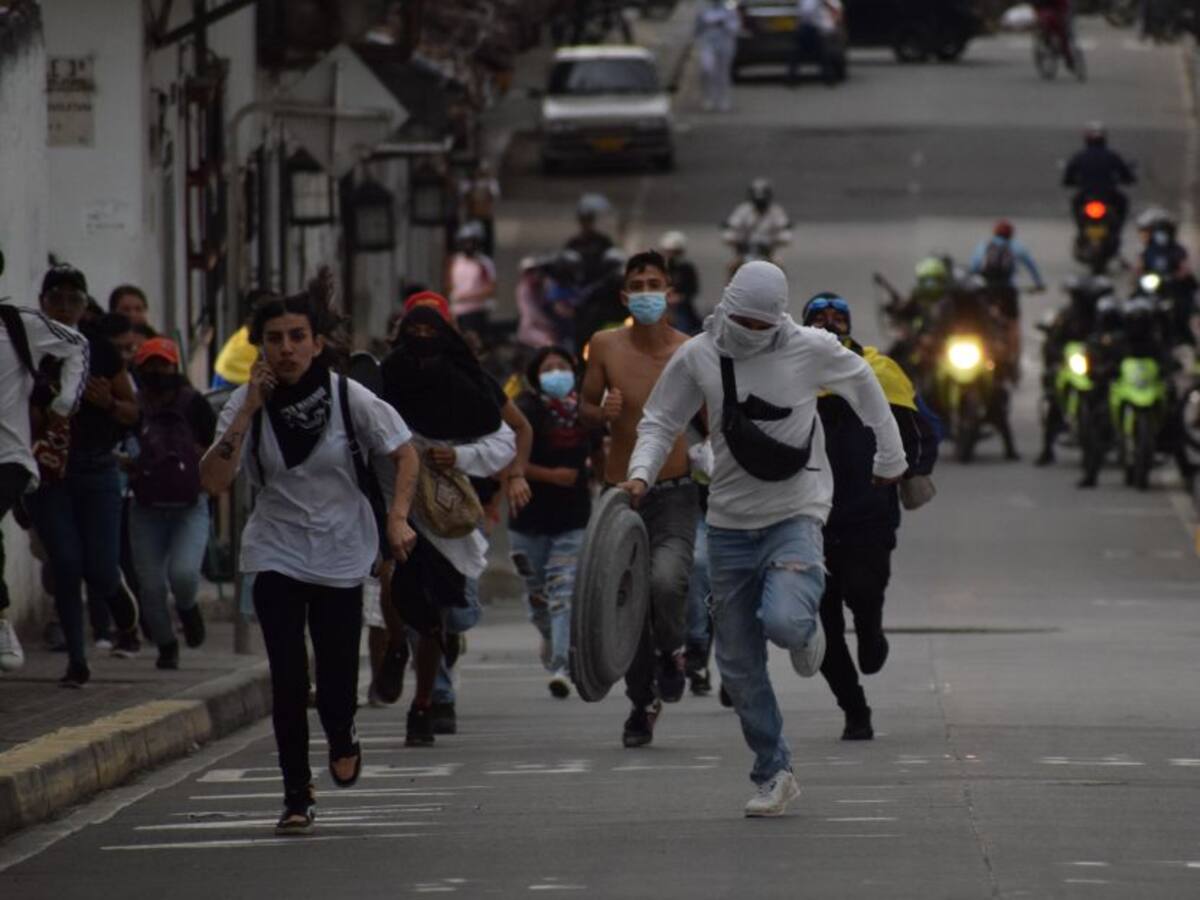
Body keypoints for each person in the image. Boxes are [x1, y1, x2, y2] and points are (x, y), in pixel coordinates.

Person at [619, 261, 907, 816]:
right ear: (726, 308)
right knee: (740, 667)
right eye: (743, 321)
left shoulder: (810, 347)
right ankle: (773, 772)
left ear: (779, 317)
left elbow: (866, 388)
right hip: (727, 522)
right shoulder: (700, 353)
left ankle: (806, 633)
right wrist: (640, 474)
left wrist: (891, 457)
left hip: (795, 513)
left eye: (762, 324)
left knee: (785, 620)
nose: (752, 332)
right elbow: (660, 420)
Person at [200, 281, 419, 835]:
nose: (287, 349)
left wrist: (397, 517)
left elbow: (404, 452)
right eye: (274, 339)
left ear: (317, 343)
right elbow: (214, 479)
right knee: (289, 679)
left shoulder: (350, 398)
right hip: (275, 549)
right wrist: (248, 409)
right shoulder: (245, 403)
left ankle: (342, 733)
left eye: (298, 337)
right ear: (261, 348)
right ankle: (296, 793)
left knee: (338, 683)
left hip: (343, 552)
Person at [379, 298, 519, 744]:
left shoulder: (469, 386)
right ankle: (424, 691)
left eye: (430, 336)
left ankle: (428, 690)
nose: (421, 347)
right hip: (394, 509)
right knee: (402, 597)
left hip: (450, 518)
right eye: (412, 336)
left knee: (449, 613)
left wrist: (458, 456)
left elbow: (506, 439)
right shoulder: (383, 382)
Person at [802, 292, 936, 741]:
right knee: (820, 627)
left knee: (863, 593)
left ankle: (872, 628)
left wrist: (913, 471)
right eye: (817, 318)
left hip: (869, 516)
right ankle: (854, 707)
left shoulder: (879, 371)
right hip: (805, 521)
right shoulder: (790, 376)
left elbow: (919, 430)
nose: (828, 323)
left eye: (837, 316)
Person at [581, 250, 699, 748]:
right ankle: (640, 704)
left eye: (656, 283)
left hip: (673, 493)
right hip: (619, 497)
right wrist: (600, 410)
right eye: (638, 284)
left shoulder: (690, 350)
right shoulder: (604, 345)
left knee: (666, 584)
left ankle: (674, 649)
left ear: (670, 292)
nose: (647, 292)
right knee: (627, 602)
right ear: (625, 295)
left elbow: (713, 424)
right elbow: (585, 408)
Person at [25, 270, 143, 687]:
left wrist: (107, 400)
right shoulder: (29, 349)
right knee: (65, 563)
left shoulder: (100, 351)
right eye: (56, 298)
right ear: (42, 302)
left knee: (99, 567)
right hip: (51, 471)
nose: (64, 307)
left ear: (84, 305)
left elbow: (132, 412)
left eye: (74, 300)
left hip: (96, 467)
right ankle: (78, 659)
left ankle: (118, 596)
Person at [0, 289, 90, 673]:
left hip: (10, 458)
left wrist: (66, 399)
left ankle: (1, 622)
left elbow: (78, 345)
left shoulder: (18, 324)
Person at [509, 347, 601, 698]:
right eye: (549, 368)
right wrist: (549, 476)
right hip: (528, 519)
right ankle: (550, 635)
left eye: (563, 366)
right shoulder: (523, 413)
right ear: (536, 376)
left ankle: (563, 665)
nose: (557, 373)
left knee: (563, 591)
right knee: (537, 593)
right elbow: (508, 463)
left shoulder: (584, 415)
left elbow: (599, 454)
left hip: (572, 520)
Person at [128, 337, 217, 669]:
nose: (157, 371)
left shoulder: (193, 404)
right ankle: (166, 645)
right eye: (149, 365)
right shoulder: (133, 405)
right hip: (146, 506)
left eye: (162, 364)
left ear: (174, 367)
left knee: (183, 574)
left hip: (189, 505)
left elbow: (216, 447)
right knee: (150, 587)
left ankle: (188, 607)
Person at [968, 219, 1046, 378]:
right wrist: (1039, 284)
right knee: (1013, 324)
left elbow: (974, 267)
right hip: (1008, 291)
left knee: (983, 320)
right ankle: (1013, 359)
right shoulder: (1017, 247)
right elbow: (1031, 266)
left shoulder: (984, 246)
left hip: (987, 290)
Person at [1063, 123, 1136, 231]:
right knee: (1123, 202)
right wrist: (1128, 179)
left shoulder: (1079, 156)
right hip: (1108, 194)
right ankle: (1117, 229)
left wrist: (1071, 182)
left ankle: (1081, 228)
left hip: (1086, 194)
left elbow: (1067, 178)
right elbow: (1126, 175)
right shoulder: (1112, 156)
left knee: (1075, 203)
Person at [723, 179, 792, 268]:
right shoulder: (743, 210)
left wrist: (781, 239)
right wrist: (731, 238)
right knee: (731, 267)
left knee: (779, 267)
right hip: (745, 251)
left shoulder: (776, 211)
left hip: (767, 252)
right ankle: (730, 282)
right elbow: (733, 225)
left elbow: (783, 227)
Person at [446, 221, 497, 338]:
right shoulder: (455, 261)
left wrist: (469, 297)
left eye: (471, 242)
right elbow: (449, 284)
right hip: (456, 311)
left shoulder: (484, 263)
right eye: (465, 242)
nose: (468, 245)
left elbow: (490, 289)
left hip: (475, 311)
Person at [695, 0, 739, 112]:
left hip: (725, 42)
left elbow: (735, 26)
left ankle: (723, 99)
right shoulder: (702, 6)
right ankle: (707, 97)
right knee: (707, 69)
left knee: (722, 72)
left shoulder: (730, 6)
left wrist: (723, 24)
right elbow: (698, 26)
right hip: (707, 42)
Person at [566, 194, 615, 288]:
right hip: (579, 285)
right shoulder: (574, 242)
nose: (586, 224)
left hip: (600, 284)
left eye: (588, 220)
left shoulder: (603, 241)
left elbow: (612, 259)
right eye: (583, 221)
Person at [661, 231, 703, 335]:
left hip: (681, 307)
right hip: (661, 305)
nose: (671, 255)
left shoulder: (686, 269)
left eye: (675, 252)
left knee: (684, 326)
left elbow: (693, 289)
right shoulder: (660, 268)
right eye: (669, 251)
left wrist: (680, 297)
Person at [790, 0, 840, 85]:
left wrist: (833, 14)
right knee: (798, 54)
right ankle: (792, 78)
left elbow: (829, 5)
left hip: (813, 28)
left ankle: (829, 79)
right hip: (806, 28)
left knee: (822, 55)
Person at [458, 161, 500, 256]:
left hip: (485, 216)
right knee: (471, 238)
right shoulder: (469, 183)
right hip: (473, 216)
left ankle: (487, 255)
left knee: (487, 241)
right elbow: (463, 196)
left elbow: (494, 195)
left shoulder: (491, 182)